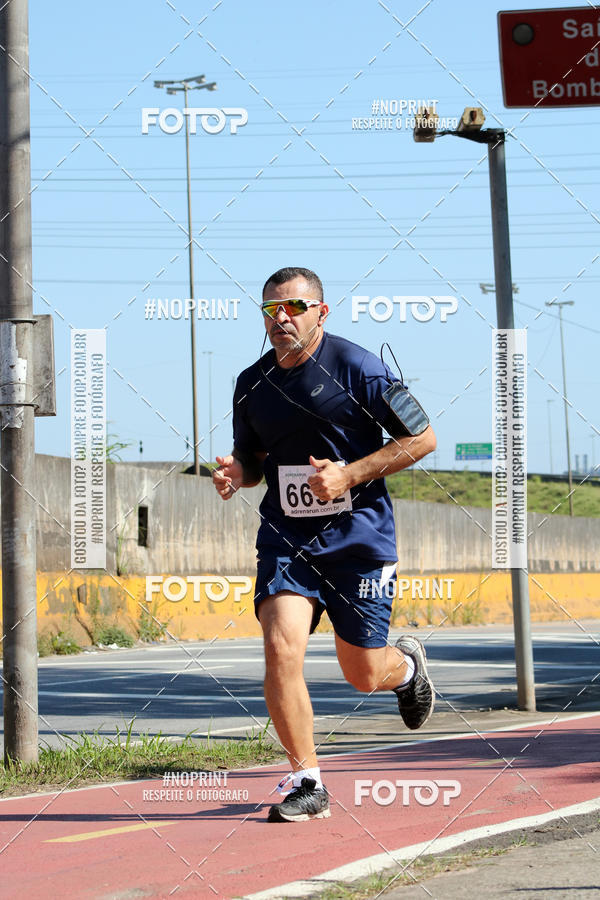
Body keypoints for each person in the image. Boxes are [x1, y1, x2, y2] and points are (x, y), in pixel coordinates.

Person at [212, 266, 437, 823]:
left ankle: (405, 669)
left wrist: (349, 474)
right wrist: (236, 472)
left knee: (362, 674)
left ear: (321, 311)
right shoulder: (251, 382)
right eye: (271, 310)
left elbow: (422, 438)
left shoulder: (358, 367)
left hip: (359, 538)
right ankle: (306, 781)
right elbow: (257, 461)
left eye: (293, 308)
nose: (281, 319)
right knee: (280, 648)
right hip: (288, 538)